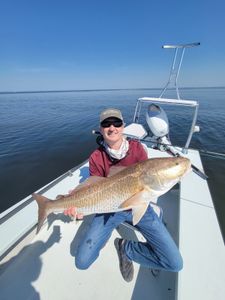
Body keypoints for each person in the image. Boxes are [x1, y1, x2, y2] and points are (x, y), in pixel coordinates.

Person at [64, 108, 183, 282]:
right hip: (108, 209)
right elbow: (94, 186)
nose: (112, 128)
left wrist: (175, 172)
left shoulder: (137, 149)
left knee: (175, 263)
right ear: (101, 128)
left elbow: (149, 176)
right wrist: (78, 205)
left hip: (141, 204)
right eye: (106, 124)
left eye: (116, 123)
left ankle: (126, 248)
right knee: (82, 262)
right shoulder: (96, 157)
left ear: (123, 126)